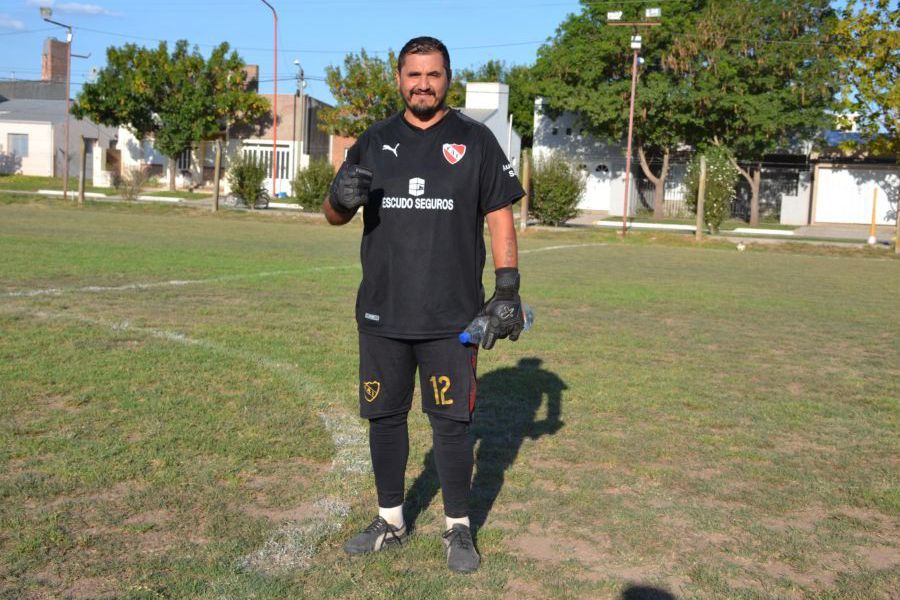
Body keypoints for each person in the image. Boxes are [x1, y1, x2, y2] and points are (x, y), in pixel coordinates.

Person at [322, 36, 525, 574]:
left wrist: (506, 289)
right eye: (413, 74)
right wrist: (338, 198)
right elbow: (335, 211)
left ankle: (458, 528)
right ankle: (390, 518)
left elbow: (500, 216)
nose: (423, 84)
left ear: (447, 78)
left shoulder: (476, 140)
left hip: (452, 318)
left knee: (450, 424)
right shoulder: (375, 139)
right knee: (384, 418)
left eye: (433, 75)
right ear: (399, 79)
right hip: (382, 314)